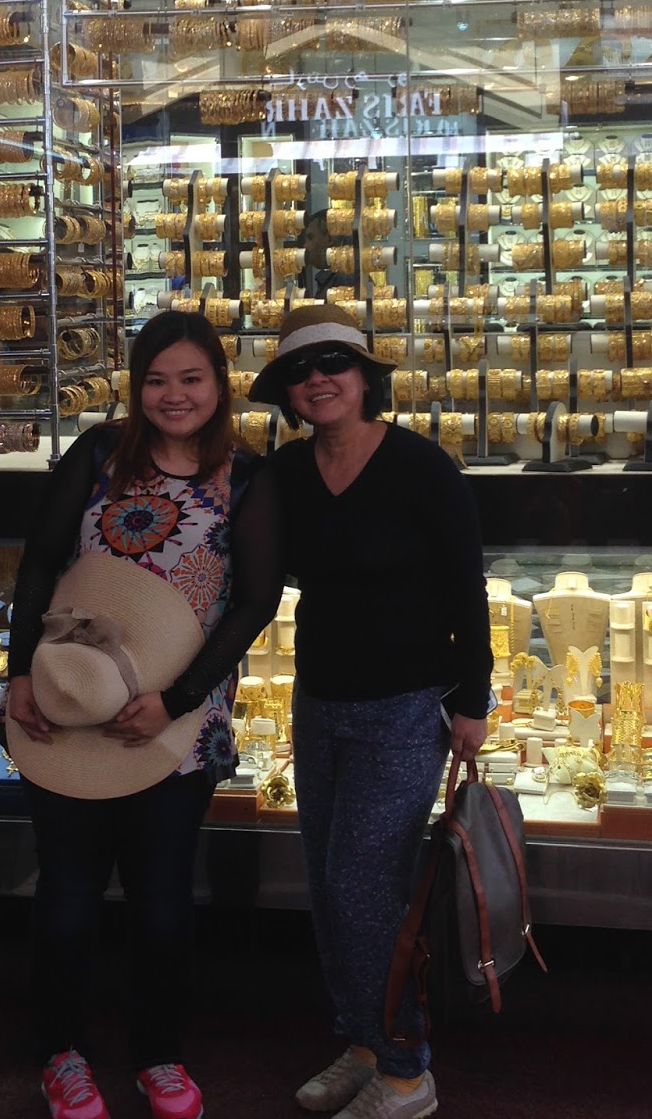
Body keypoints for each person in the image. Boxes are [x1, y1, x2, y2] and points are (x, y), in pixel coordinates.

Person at [7, 310, 283, 1119]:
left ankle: (159, 1052)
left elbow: (256, 600)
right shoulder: (98, 454)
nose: (174, 395)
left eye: (191, 378)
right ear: (136, 388)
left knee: (161, 898)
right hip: (66, 701)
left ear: (219, 385)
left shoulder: (248, 479)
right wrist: (19, 673)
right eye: (156, 380)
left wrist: (177, 699)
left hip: (177, 717)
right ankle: (60, 1051)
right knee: (68, 893)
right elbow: (38, 562)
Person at [250, 303, 492, 1119]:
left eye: (334, 364)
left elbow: (466, 585)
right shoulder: (286, 473)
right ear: (287, 392)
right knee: (328, 884)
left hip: (405, 707)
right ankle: (361, 1039)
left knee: (364, 887)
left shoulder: (421, 467)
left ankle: (406, 1072)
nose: (318, 380)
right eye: (299, 370)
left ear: (364, 379)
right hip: (318, 703)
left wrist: (473, 700)